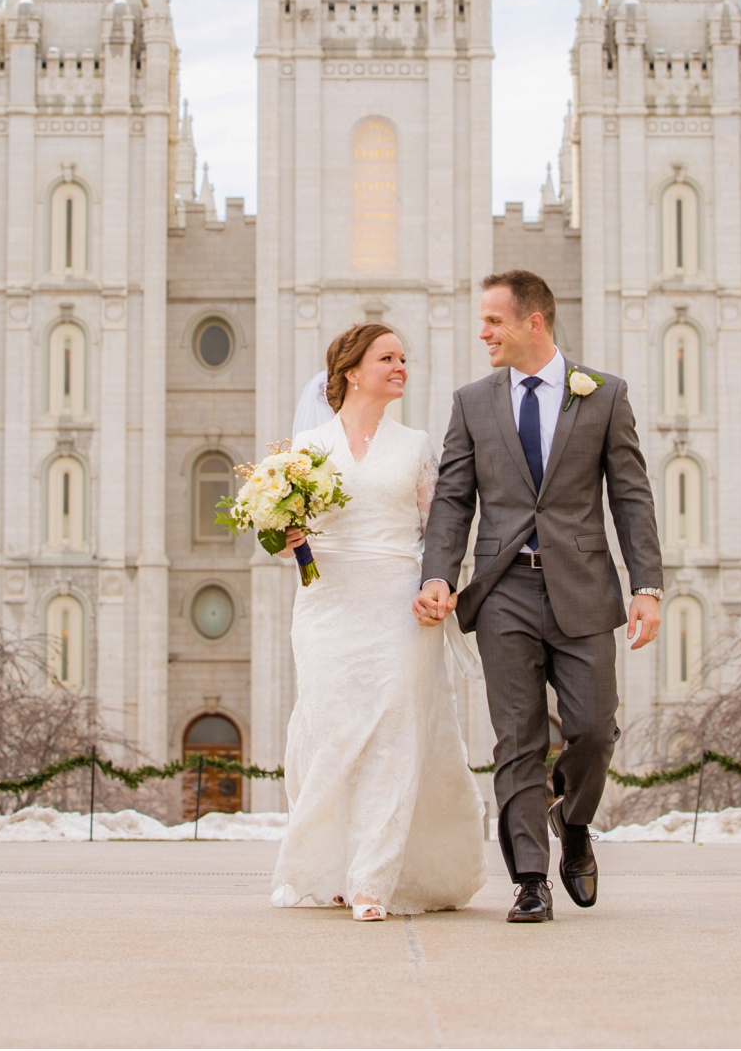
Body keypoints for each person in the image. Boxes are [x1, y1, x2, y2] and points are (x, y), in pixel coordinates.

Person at [415, 269, 664, 924]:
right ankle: (530, 878)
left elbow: (631, 496)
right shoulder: (472, 402)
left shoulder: (604, 395)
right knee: (517, 739)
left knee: (591, 727)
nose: (483, 332)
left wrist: (647, 585)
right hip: (504, 591)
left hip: (583, 589)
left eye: (494, 320)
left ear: (535, 321)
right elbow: (452, 502)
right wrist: (438, 573)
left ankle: (573, 821)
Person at [271, 323, 488, 920]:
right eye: (387, 358)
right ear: (351, 372)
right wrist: (284, 538)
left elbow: (438, 530)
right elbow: (285, 539)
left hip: (398, 606)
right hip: (328, 607)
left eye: (403, 358)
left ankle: (373, 878)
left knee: (393, 733)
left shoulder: (416, 445)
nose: (400, 367)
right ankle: (337, 866)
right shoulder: (307, 447)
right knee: (333, 732)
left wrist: (437, 585)